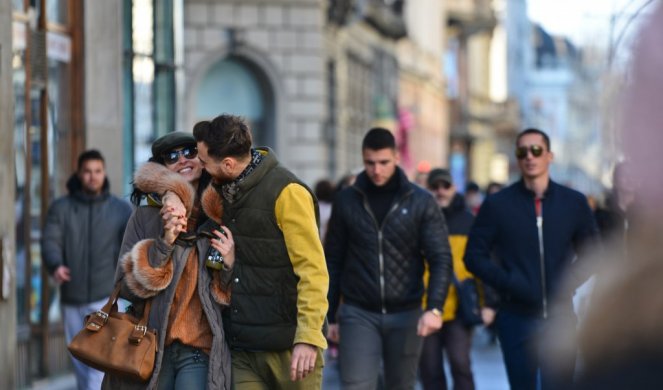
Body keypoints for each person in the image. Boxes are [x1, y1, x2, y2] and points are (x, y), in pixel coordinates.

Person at [192, 114, 329, 389]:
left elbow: (313, 270)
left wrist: (309, 336)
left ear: (228, 164)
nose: (200, 166)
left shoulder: (288, 192)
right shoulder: (221, 192)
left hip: (290, 349)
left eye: (204, 161)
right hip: (243, 349)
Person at [464, 128, 599, 389]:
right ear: (516, 158)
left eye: (536, 150)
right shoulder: (498, 204)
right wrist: (508, 282)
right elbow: (473, 256)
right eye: (522, 151)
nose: (530, 156)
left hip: (560, 318)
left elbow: (594, 251)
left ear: (549, 156)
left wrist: (567, 283)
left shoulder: (573, 203)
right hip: (516, 317)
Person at [102, 132, 233, 389]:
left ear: (203, 158)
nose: (182, 159)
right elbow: (125, 287)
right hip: (151, 346)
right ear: (163, 167)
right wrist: (164, 243)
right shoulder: (145, 217)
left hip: (198, 349)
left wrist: (229, 264)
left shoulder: (220, 212)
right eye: (172, 156)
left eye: (189, 152)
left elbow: (227, 293)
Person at [325, 127, 452, 390]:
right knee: (355, 385)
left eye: (383, 162)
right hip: (358, 312)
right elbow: (333, 259)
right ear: (363, 159)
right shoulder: (347, 200)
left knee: (400, 386)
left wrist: (435, 307)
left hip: (407, 312)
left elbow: (440, 257)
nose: (377, 170)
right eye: (370, 163)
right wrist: (330, 315)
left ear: (396, 157)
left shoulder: (420, 201)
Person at [41, 150, 132, 390]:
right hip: (73, 298)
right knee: (81, 364)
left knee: (99, 363)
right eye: (88, 172)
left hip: (107, 298)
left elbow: (132, 248)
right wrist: (55, 264)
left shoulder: (121, 209)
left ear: (104, 174)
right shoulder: (61, 208)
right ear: (79, 174)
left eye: (97, 171)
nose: (93, 177)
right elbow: (51, 239)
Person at [419, 168, 496, 390]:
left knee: (460, 365)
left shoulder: (469, 221)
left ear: (453, 188)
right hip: (426, 306)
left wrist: (488, 303)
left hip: (460, 308)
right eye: (435, 187)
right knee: (429, 370)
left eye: (445, 186)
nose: (441, 191)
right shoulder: (420, 220)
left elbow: (482, 264)